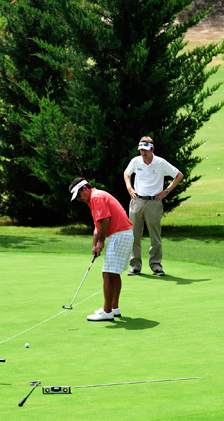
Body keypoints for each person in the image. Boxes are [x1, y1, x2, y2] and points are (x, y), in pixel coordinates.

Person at [69, 178, 134, 322]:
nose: (79, 199)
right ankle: (114, 308)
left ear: (84, 188)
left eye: (79, 195)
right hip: (122, 234)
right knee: (114, 273)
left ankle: (107, 311)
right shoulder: (93, 200)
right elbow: (97, 227)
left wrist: (101, 242)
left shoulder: (96, 197)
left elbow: (106, 220)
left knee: (108, 274)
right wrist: (95, 245)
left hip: (119, 234)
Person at [124, 136, 184, 276]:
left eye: (145, 150)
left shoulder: (160, 163)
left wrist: (166, 191)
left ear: (152, 149)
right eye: (141, 150)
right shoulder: (136, 161)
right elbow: (127, 173)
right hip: (137, 200)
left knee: (154, 236)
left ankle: (156, 265)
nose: (143, 153)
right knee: (134, 235)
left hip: (154, 202)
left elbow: (179, 175)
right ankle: (135, 266)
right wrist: (129, 188)